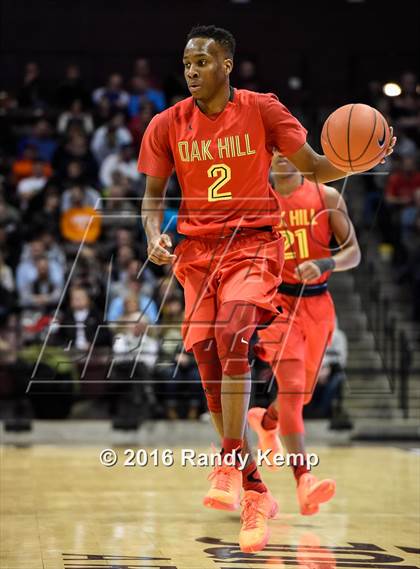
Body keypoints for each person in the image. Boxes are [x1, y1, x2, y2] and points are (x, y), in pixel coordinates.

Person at [138, 25, 395, 553]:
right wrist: (152, 234)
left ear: (226, 65)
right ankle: (254, 489)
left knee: (234, 334)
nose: (191, 70)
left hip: (252, 244)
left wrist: (355, 162)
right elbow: (150, 198)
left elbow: (315, 166)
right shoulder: (166, 124)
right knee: (208, 359)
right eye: (187, 62)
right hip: (195, 254)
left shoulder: (262, 109)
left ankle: (230, 460)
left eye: (202, 62)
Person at [247, 153, 361, 516]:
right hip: (278, 306)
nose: (283, 159)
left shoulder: (327, 197)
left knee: (303, 393)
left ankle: (266, 422)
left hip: (319, 306)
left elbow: (354, 253)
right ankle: (304, 482)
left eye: (290, 153)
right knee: (294, 391)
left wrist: (328, 262)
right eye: (275, 154)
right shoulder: (259, 202)